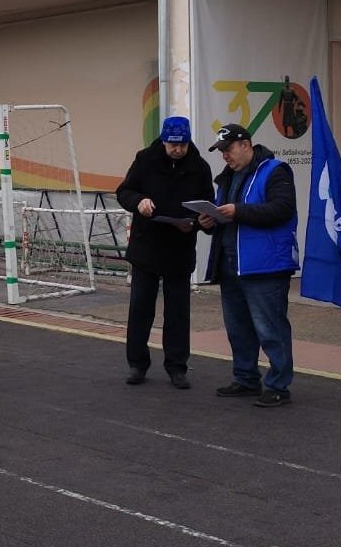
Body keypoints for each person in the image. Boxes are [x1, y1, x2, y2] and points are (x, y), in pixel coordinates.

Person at [195, 123, 298, 408]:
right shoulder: (227, 179)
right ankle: (245, 378)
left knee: (270, 327)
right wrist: (208, 221)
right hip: (232, 263)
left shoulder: (275, 170)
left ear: (246, 144)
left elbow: (282, 209)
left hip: (265, 265)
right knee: (238, 327)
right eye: (221, 151)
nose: (225, 156)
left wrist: (238, 211)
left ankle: (278, 385)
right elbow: (225, 216)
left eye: (228, 149)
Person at [115, 115, 213, 389]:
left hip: (180, 248)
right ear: (163, 140)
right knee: (140, 309)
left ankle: (177, 367)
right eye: (172, 145)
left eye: (182, 144)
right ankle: (137, 364)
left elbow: (209, 205)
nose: (177, 149)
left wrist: (201, 223)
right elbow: (124, 191)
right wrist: (139, 202)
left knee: (178, 312)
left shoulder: (199, 167)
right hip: (147, 247)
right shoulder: (145, 159)